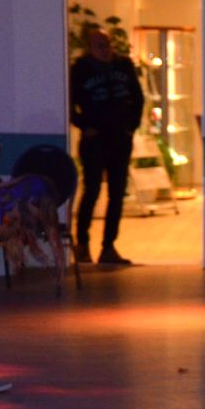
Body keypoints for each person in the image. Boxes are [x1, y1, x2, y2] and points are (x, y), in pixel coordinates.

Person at [69, 29, 144, 265]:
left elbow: (138, 97)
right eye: (97, 44)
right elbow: (69, 103)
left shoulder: (123, 65)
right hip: (95, 139)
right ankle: (82, 244)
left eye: (105, 43)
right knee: (91, 190)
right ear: (89, 47)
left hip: (120, 138)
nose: (103, 48)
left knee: (117, 193)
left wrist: (131, 126)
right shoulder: (80, 69)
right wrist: (84, 125)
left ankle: (108, 247)